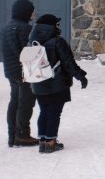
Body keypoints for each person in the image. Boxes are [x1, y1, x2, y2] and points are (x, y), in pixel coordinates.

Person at [28, 14, 88, 153]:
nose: (58, 26)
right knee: (54, 112)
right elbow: (68, 62)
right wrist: (81, 76)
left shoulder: (32, 40)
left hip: (38, 83)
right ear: (51, 26)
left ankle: (43, 141)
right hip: (57, 84)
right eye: (56, 24)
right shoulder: (57, 41)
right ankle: (50, 143)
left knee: (44, 111)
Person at [0, 0, 39, 148]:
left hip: (11, 71)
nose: (33, 13)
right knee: (25, 103)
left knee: (15, 101)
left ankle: (13, 135)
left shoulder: (7, 27)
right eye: (31, 10)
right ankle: (22, 135)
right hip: (24, 72)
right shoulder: (25, 29)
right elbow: (27, 53)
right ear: (25, 11)